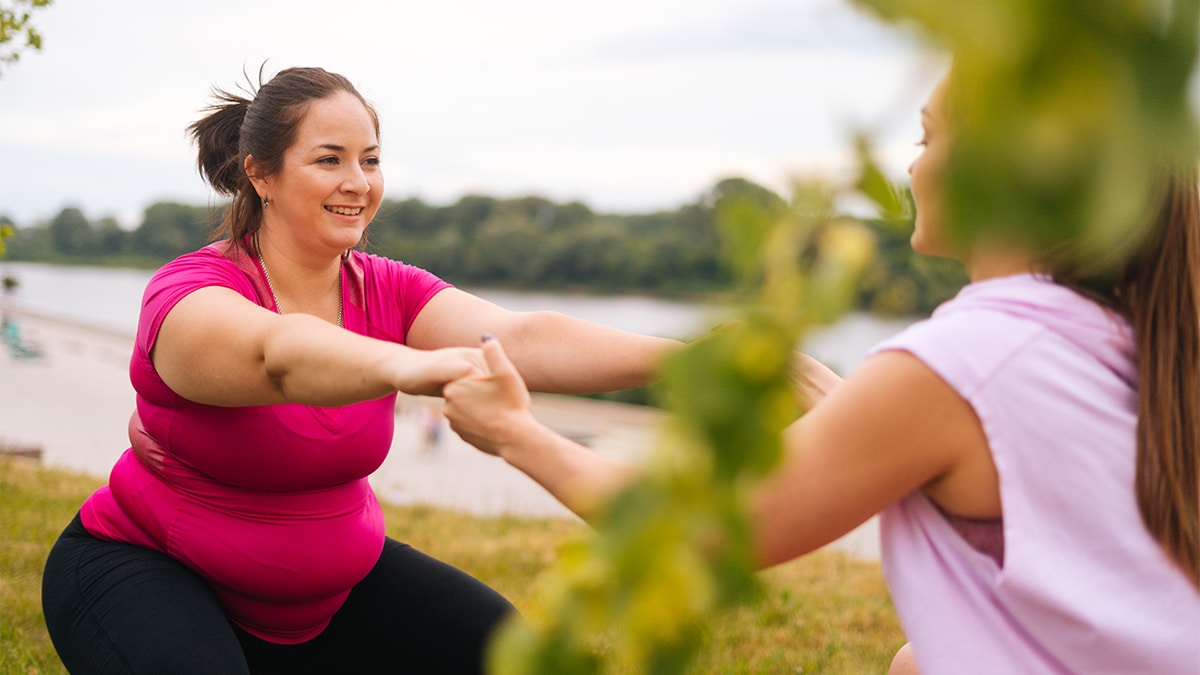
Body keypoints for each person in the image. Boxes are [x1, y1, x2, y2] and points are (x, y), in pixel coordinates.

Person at [442, 70, 1200, 673]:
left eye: (930, 139)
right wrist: (850, 406)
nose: (911, 163)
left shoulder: (963, 361)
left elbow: (698, 533)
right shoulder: (1119, 329)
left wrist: (516, 432)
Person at [40, 66, 679, 674]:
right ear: (261, 174)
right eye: (329, 159)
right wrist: (409, 365)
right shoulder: (190, 292)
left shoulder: (387, 289)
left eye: (370, 160)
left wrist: (706, 358)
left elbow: (524, 337)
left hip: (329, 601)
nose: (358, 182)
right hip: (145, 569)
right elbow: (278, 356)